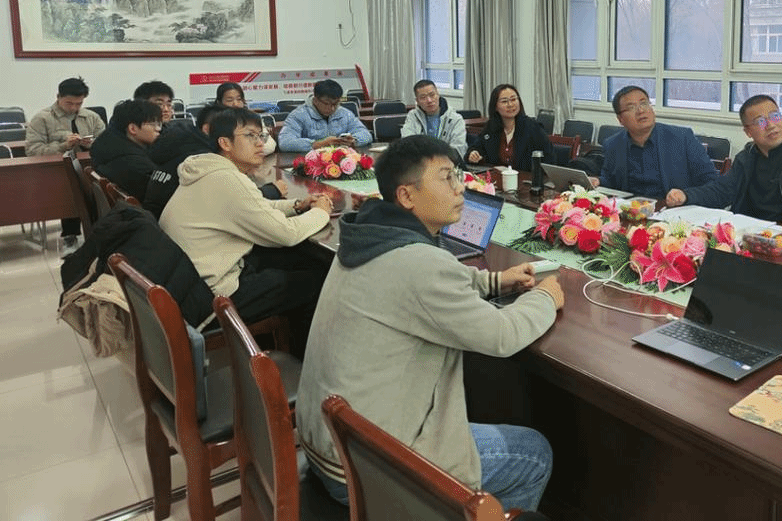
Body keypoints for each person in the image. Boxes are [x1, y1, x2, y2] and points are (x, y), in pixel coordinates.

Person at [296, 135, 563, 512]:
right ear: (406, 196)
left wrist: (494, 281)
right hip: (370, 467)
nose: (460, 188)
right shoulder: (419, 263)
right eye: (446, 178)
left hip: (333, 443)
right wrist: (545, 297)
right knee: (533, 453)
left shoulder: (370, 235)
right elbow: (502, 336)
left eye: (457, 176)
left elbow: (424, 283)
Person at [159, 108, 334, 352]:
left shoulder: (210, 170)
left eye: (261, 135)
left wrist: (296, 205)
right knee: (314, 279)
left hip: (196, 279)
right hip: (213, 296)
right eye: (250, 136)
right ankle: (302, 357)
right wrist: (321, 212)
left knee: (298, 258)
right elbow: (286, 234)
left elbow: (254, 207)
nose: (260, 143)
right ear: (225, 143)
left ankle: (285, 339)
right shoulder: (227, 179)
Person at [678, 94, 782, 234]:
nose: (771, 125)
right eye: (760, 121)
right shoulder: (746, 158)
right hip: (753, 237)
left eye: (775, 116)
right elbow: (722, 191)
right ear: (748, 131)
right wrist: (686, 196)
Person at [145, 103, 287, 217]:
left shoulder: (184, 147)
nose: (259, 143)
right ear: (208, 129)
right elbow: (234, 202)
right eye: (249, 135)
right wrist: (272, 190)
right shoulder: (201, 158)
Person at [25, 76, 107, 252]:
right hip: (58, 173)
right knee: (69, 192)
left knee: (99, 194)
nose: (74, 108)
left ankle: (98, 236)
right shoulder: (42, 118)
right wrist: (64, 146)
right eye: (69, 103)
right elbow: (33, 150)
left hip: (89, 168)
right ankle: (70, 237)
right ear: (58, 97)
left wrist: (91, 144)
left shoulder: (91, 117)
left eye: (79, 103)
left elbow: (107, 142)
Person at [599, 86, 718, 206]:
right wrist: (598, 181)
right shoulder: (613, 144)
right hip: (631, 211)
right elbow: (610, 181)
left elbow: (712, 183)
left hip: (672, 211)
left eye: (644, 103)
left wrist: (686, 195)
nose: (641, 111)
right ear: (620, 119)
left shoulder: (682, 138)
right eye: (631, 107)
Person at [465, 84, 554, 171]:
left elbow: (550, 159)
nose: (510, 104)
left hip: (525, 178)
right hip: (497, 178)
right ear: (495, 106)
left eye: (513, 99)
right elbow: (476, 148)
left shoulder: (532, 127)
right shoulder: (490, 128)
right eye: (504, 101)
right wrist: (473, 154)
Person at [89, 99, 164, 202]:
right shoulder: (135, 164)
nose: (158, 129)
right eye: (153, 124)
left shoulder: (111, 148)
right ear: (133, 129)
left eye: (159, 124)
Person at [278, 79, 371, 152]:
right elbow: (285, 142)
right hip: (311, 163)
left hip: (340, 160)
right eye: (327, 104)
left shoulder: (345, 113)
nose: (332, 108)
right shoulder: (299, 115)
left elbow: (366, 134)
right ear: (315, 100)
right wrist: (318, 144)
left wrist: (354, 140)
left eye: (336, 103)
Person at [400, 78, 467, 157]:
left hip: (446, 161)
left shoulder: (455, 119)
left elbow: (458, 149)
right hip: (420, 161)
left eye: (432, 95)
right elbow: (408, 144)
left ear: (438, 95)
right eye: (423, 97)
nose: (429, 100)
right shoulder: (413, 116)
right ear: (417, 101)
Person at [215, 81, 276, 152]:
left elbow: (270, 146)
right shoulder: (213, 121)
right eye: (229, 100)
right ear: (219, 102)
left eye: (239, 99)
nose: (235, 104)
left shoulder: (252, 119)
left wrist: (245, 152)